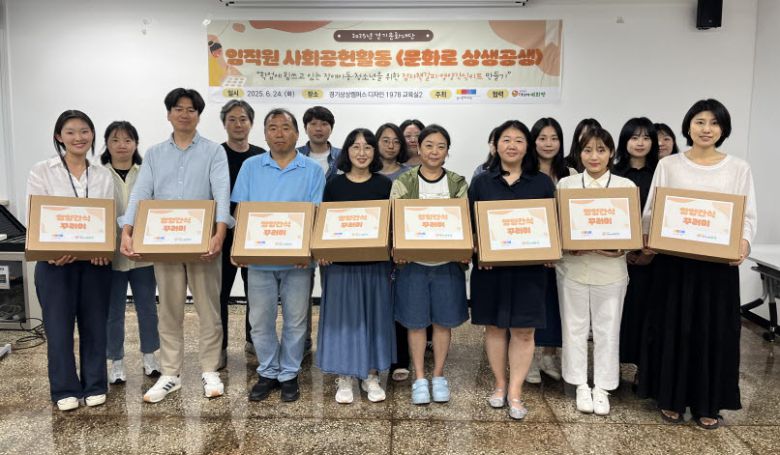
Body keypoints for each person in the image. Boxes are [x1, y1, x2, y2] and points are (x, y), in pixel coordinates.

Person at [638, 99, 756, 430]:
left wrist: (743, 243)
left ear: (724, 129)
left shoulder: (738, 168)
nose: (707, 129)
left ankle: (709, 402)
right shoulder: (670, 165)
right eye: (700, 122)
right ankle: (670, 397)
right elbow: (652, 210)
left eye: (714, 123)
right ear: (688, 126)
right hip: (674, 265)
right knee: (674, 329)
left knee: (713, 332)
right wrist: (648, 238)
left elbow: (747, 216)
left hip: (717, 269)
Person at [120, 88, 233, 403]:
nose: (185, 114)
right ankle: (170, 373)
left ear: (199, 115)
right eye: (179, 109)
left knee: (209, 309)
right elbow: (141, 193)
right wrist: (127, 231)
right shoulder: (155, 154)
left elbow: (221, 194)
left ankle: (210, 369)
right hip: (165, 243)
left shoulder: (213, 151)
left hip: (203, 244)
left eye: (191, 109)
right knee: (169, 310)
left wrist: (220, 234)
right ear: (169, 113)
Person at [231, 108, 325, 403]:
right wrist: (239, 248)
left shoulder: (312, 170)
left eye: (285, 127)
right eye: (273, 128)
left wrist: (306, 250)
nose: (279, 133)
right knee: (260, 321)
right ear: (265, 134)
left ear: (297, 133)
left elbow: (316, 214)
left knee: (296, 320)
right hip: (258, 261)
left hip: (298, 261)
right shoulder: (250, 166)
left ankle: (289, 373)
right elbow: (240, 210)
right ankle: (268, 371)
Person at [27, 110, 114, 411]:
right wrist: (51, 250)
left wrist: (105, 247)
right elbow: (36, 215)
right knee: (58, 328)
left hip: (96, 264)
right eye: (71, 132)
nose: (79, 137)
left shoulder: (102, 174)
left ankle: (95, 384)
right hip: (55, 264)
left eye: (85, 131)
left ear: (92, 135)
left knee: (95, 326)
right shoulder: (42, 171)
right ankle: (64, 388)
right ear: (59, 136)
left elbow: (108, 216)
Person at [469, 120, 556, 420]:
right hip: (491, 269)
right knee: (494, 327)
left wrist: (550, 250)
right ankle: (499, 384)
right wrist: (480, 251)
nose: (512, 145)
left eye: (519, 140)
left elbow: (551, 224)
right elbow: (471, 226)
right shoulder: (482, 182)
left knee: (523, 330)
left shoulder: (542, 183)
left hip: (529, 271)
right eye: (506, 139)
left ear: (527, 146)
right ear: (495, 146)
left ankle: (516, 392)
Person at [556, 127, 635, 416]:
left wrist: (620, 249)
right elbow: (557, 228)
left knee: (608, 329)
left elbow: (632, 232)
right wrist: (568, 246)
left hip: (611, 270)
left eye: (601, 150)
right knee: (574, 327)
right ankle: (579, 384)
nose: (594, 156)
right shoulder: (566, 185)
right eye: (587, 150)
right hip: (573, 268)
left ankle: (603, 386)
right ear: (579, 153)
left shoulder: (625, 186)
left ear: (611, 153)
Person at [390, 124, 469, 405]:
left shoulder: (457, 182)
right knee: (415, 323)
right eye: (429, 145)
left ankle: (438, 375)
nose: (435, 151)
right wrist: (398, 249)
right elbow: (395, 221)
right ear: (419, 148)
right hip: (413, 265)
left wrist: (465, 250)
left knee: (443, 323)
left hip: (447, 264)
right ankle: (420, 377)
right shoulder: (404, 181)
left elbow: (464, 221)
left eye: (441, 146)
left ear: (447, 151)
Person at [316, 128, 395, 404]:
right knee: (344, 321)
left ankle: (371, 375)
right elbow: (324, 223)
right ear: (347, 151)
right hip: (340, 267)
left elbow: (391, 226)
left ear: (374, 152)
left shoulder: (385, 185)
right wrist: (323, 251)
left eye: (368, 147)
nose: (362, 153)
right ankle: (345, 376)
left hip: (375, 266)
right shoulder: (334, 185)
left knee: (373, 319)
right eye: (356, 147)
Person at [100, 121, 161, 384]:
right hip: (110, 256)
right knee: (113, 312)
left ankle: (150, 357)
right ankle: (116, 362)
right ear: (107, 144)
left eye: (127, 140)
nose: (122, 145)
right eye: (115, 140)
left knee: (148, 309)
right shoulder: (98, 174)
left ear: (136, 144)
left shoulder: (147, 172)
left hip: (143, 256)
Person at [525, 117, 574, 384]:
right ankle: (529, 358)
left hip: (565, 254)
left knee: (557, 305)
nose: (548, 143)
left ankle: (549, 356)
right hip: (534, 251)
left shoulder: (571, 174)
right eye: (542, 138)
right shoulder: (525, 173)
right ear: (533, 142)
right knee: (534, 304)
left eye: (554, 138)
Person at [217, 100, 266, 367]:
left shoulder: (261, 155)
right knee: (220, 293)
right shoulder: (216, 154)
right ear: (224, 123)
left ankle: (253, 341)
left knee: (255, 292)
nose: (238, 124)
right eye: (232, 119)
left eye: (243, 119)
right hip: (221, 234)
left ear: (251, 123)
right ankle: (220, 346)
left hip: (254, 235)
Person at [613, 118, 659, 381]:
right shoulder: (614, 174)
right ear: (624, 141)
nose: (640, 143)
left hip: (652, 259)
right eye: (634, 137)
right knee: (618, 313)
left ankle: (645, 369)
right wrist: (624, 250)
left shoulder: (660, 174)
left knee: (647, 312)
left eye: (646, 137)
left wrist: (648, 253)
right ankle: (614, 366)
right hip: (617, 257)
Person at [374, 122, 412, 382]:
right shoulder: (367, 172)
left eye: (396, 141)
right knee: (377, 305)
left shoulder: (410, 175)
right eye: (385, 140)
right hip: (373, 250)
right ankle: (376, 357)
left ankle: (400, 359)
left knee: (401, 303)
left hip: (402, 250)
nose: (391, 145)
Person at [297, 105, 342, 180]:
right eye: (313, 124)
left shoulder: (343, 156)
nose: (318, 129)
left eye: (324, 124)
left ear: (331, 128)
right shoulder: (294, 156)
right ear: (305, 128)